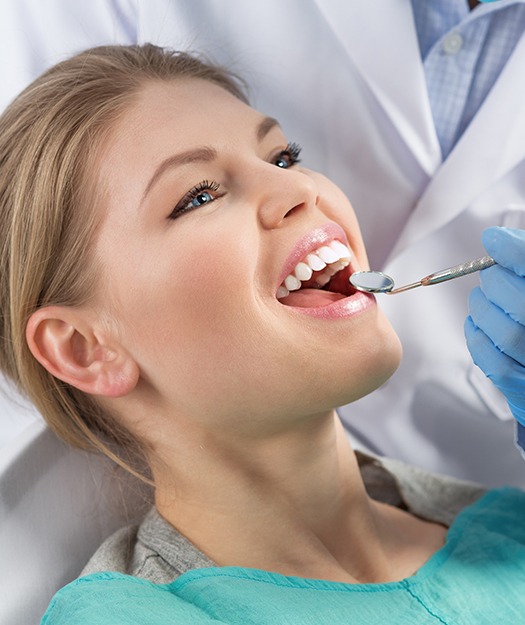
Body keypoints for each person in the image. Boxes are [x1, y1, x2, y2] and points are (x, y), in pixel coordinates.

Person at [1, 43, 525, 625]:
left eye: (282, 157)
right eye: (198, 196)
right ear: (84, 349)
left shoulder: (508, 529)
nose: (300, 190)